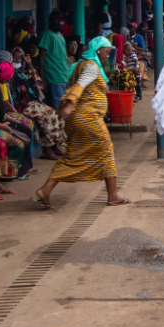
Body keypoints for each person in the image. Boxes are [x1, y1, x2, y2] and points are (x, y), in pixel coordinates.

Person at [34, 36, 128, 209]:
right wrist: (69, 104)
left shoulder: (78, 66)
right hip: (88, 118)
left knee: (73, 155)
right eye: (107, 52)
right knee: (106, 151)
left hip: (78, 120)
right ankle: (113, 195)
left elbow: (74, 84)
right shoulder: (91, 67)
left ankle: (46, 189)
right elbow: (79, 87)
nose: (108, 56)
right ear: (98, 51)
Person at [9, 46, 67, 160]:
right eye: (14, 56)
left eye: (19, 56)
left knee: (56, 114)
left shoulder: (26, 72)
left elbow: (39, 84)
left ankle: (55, 145)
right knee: (46, 115)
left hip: (34, 103)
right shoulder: (11, 73)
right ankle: (47, 147)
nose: (17, 58)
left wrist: (30, 64)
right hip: (23, 105)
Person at [39, 11, 70, 109]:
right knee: (59, 109)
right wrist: (42, 79)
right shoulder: (47, 34)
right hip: (54, 78)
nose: (60, 23)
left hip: (64, 76)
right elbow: (41, 57)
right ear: (51, 21)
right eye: (57, 20)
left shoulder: (61, 36)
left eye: (61, 20)